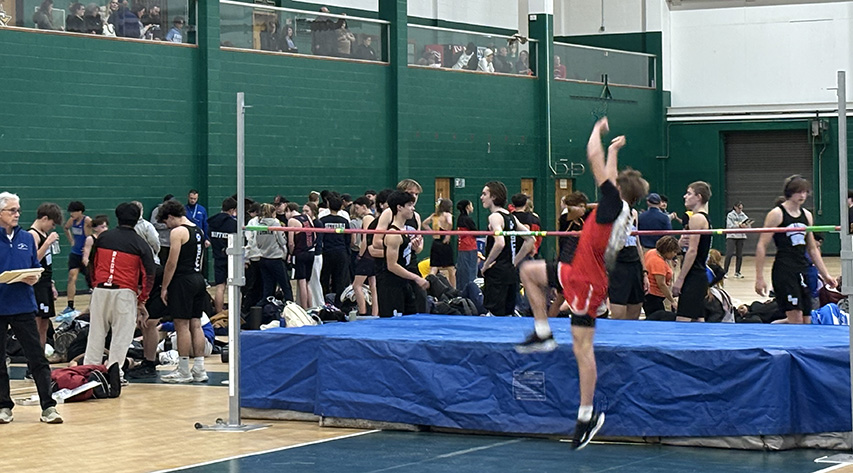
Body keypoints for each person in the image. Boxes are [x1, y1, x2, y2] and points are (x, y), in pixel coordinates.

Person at [516, 118, 644, 450]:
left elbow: (591, 154)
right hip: (576, 271)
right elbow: (611, 176)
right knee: (529, 271)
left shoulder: (612, 206)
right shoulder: (617, 204)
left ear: (616, 191)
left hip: (587, 281)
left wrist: (597, 131)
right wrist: (614, 149)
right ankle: (542, 331)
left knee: (581, 349)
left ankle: (587, 416)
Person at [0, 192, 63, 424]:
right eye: (12, 210)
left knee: (37, 357)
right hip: (0, 304)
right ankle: (4, 406)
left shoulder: (26, 237)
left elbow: (35, 267)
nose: (17, 214)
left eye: (18, 210)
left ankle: (49, 407)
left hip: (24, 305)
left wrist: (33, 277)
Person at [83, 203, 155, 380]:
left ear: (117, 216)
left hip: (100, 290)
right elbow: (149, 275)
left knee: (96, 334)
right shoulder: (140, 243)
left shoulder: (103, 238)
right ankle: (115, 374)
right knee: (121, 336)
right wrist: (142, 299)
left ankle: (87, 372)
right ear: (137, 218)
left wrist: (95, 285)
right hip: (124, 292)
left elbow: (92, 264)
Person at [755, 175, 835, 324]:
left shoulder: (807, 215)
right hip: (785, 270)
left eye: (805, 192)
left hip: (802, 269)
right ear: (789, 192)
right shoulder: (777, 214)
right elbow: (762, 245)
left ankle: (775, 326)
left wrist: (826, 275)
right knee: (796, 319)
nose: (803, 196)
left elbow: (812, 249)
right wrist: (759, 277)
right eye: (799, 192)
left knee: (807, 320)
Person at [157, 200, 209, 383]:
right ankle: (200, 369)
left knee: (182, 326)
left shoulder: (178, 232)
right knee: (196, 324)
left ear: (171, 217)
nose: (166, 226)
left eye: (165, 222)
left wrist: (164, 287)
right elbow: (201, 258)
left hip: (182, 281)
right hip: (198, 278)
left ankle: (184, 370)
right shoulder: (198, 230)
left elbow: (171, 262)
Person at [480, 181, 534, 316]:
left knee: (495, 315)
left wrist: (485, 265)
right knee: (507, 315)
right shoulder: (511, 217)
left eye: (484, 194)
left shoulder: (494, 217)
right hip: (510, 272)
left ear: (493, 197)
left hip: (497, 273)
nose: (481, 197)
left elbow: (500, 243)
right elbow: (530, 239)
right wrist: (514, 262)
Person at [376, 191, 428, 317]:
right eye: (409, 205)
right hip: (391, 284)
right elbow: (392, 265)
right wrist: (416, 278)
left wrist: (415, 247)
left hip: (403, 281)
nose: (413, 208)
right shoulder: (393, 234)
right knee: (393, 324)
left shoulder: (404, 231)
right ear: (399, 207)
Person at [672, 181, 713, 323]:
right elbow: (689, 248)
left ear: (699, 197)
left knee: (682, 323)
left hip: (694, 275)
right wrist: (679, 244)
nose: (685, 196)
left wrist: (680, 279)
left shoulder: (697, 218)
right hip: (698, 275)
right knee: (698, 321)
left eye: (689, 193)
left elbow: (692, 251)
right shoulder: (702, 218)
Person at [27, 203, 63, 349]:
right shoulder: (32, 235)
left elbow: (46, 263)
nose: (52, 227)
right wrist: (47, 243)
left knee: (44, 324)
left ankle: (40, 355)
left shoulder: (44, 234)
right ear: (44, 218)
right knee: (36, 323)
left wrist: (52, 284)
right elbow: (32, 260)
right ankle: (33, 357)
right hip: (37, 284)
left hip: (46, 282)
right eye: (52, 224)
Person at [608, 201, 646, 320]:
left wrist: (644, 272)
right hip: (618, 264)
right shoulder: (609, 213)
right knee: (618, 313)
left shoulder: (634, 213)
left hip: (634, 264)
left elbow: (637, 242)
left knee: (636, 308)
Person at [248, 203, 292, 305]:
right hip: (275, 258)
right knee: (285, 286)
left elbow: (258, 243)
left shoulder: (259, 225)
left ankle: (264, 309)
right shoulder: (275, 224)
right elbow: (282, 241)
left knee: (267, 288)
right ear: (273, 213)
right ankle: (291, 306)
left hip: (263, 258)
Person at [60, 201, 92, 317]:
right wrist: (71, 241)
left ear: (80, 211)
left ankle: (94, 304)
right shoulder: (72, 221)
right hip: (75, 254)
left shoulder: (87, 221)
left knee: (91, 280)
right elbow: (66, 228)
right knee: (71, 277)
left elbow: (91, 235)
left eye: (74, 212)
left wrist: (88, 249)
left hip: (85, 255)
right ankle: (70, 305)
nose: (71, 214)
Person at [208, 197, 238, 314]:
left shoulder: (212, 222)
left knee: (220, 287)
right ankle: (234, 312)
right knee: (234, 287)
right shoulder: (233, 224)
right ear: (232, 210)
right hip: (231, 258)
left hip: (217, 257)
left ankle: (219, 313)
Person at [319, 194, 351, 305]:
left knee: (324, 277)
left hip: (327, 252)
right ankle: (339, 303)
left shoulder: (323, 220)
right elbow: (348, 239)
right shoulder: (344, 221)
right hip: (341, 252)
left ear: (328, 205)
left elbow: (320, 237)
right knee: (340, 278)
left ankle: (324, 300)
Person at [285, 202, 316, 309]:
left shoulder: (291, 221)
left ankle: (304, 308)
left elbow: (291, 242)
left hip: (300, 253)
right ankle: (311, 307)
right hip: (311, 252)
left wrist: (291, 253)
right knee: (307, 283)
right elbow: (314, 234)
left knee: (301, 282)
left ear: (288, 210)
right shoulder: (307, 217)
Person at [423, 199, 456, 287]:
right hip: (444, 242)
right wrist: (448, 234)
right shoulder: (447, 214)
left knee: (434, 267)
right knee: (451, 269)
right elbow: (449, 222)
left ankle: (430, 287)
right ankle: (454, 289)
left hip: (436, 242)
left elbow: (424, 224)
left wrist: (431, 232)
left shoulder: (435, 216)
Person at [643, 236, 679, 316]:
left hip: (649, 295)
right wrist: (672, 301)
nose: (675, 254)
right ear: (668, 251)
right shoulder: (658, 263)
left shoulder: (651, 252)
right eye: (674, 252)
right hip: (653, 296)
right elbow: (661, 284)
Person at [185, 190, 210, 280]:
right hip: (188, 237)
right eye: (191, 198)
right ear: (188, 197)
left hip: (200, 238)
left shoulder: (201, 209)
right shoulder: (184, 209)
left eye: (195, 199)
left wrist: (207, 239)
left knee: (201, 258)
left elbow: (205, 224)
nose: (192, 200)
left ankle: (203, 278)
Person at [455, 200, 478, 291]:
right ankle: (469, 291)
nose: (472, 207)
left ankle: (461, 290)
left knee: (462, 271)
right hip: (469, 247)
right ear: (467, 207)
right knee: (469, 272)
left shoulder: (460, 218)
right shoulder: (467, 219)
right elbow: (476, 233)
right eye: (471, 205)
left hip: (462, 247)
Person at [724, 201, 750, 278]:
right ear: (735, 207)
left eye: (741, 208)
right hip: (731, 236)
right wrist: (739, 225)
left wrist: (746, 226)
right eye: (739, 208)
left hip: (741, 236)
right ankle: (725, 272)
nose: (740, 210)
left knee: (739, 255)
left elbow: (748, 226)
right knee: (729, 254)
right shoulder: (730, 215)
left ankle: (737, 272)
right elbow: (729, 225)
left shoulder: (743, 215)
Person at [151, 194, 174, 264]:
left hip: (172, 242)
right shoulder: (157, 210)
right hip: (162, 242)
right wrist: (166, 226)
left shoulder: (174, 212)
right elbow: (153, 224)